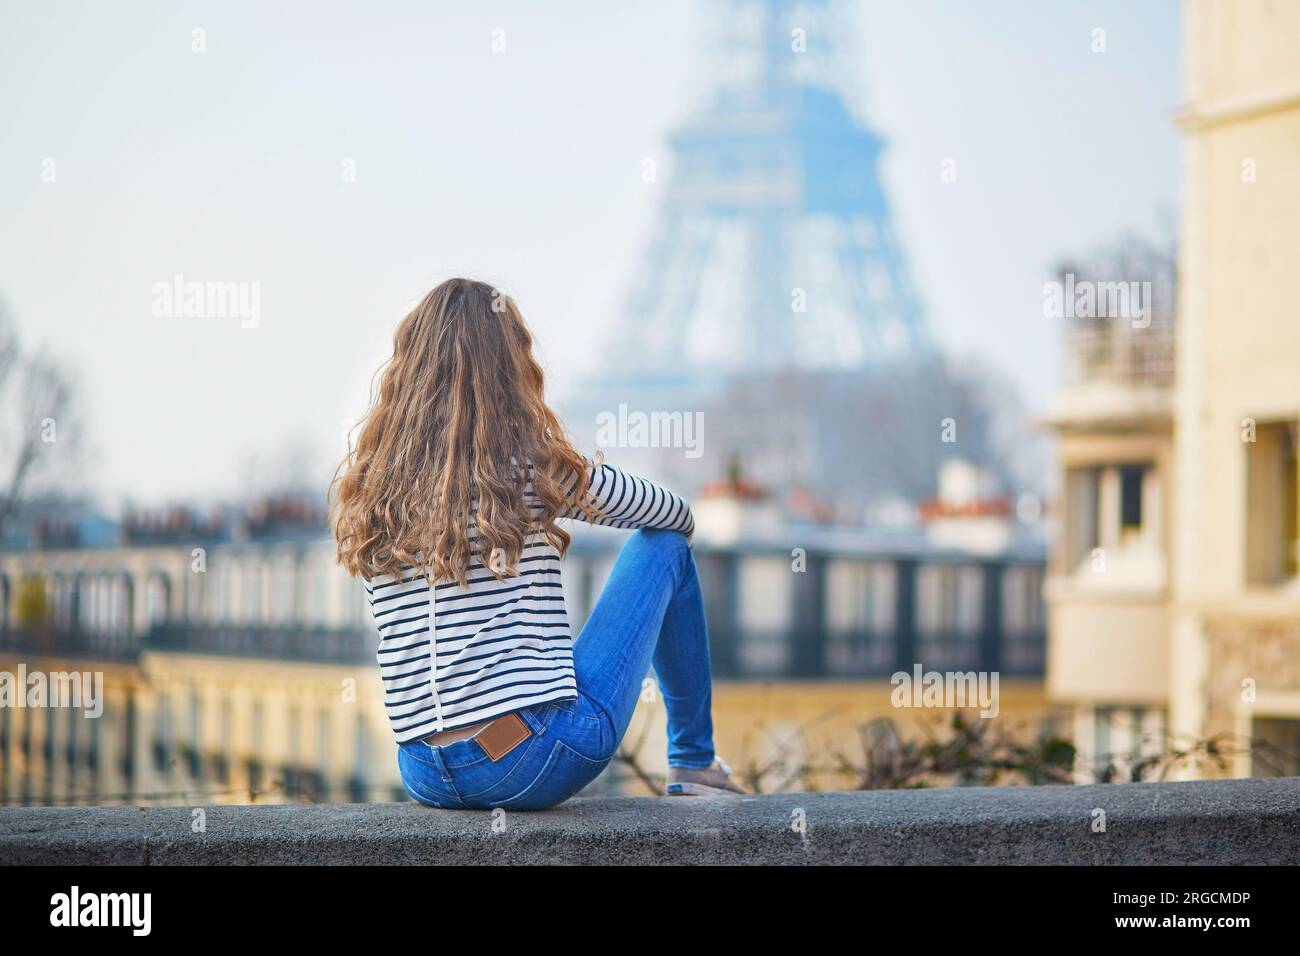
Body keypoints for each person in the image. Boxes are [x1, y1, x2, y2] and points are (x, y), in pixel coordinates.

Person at [330, 277, 744, 810]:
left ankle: (690, 759)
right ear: (509, 369)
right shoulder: (528, 469)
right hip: (525, 759)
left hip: (422, 770)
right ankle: (693, 759)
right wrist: (570, 474)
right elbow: (673, 514)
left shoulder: (376, 490)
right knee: (664, 547)